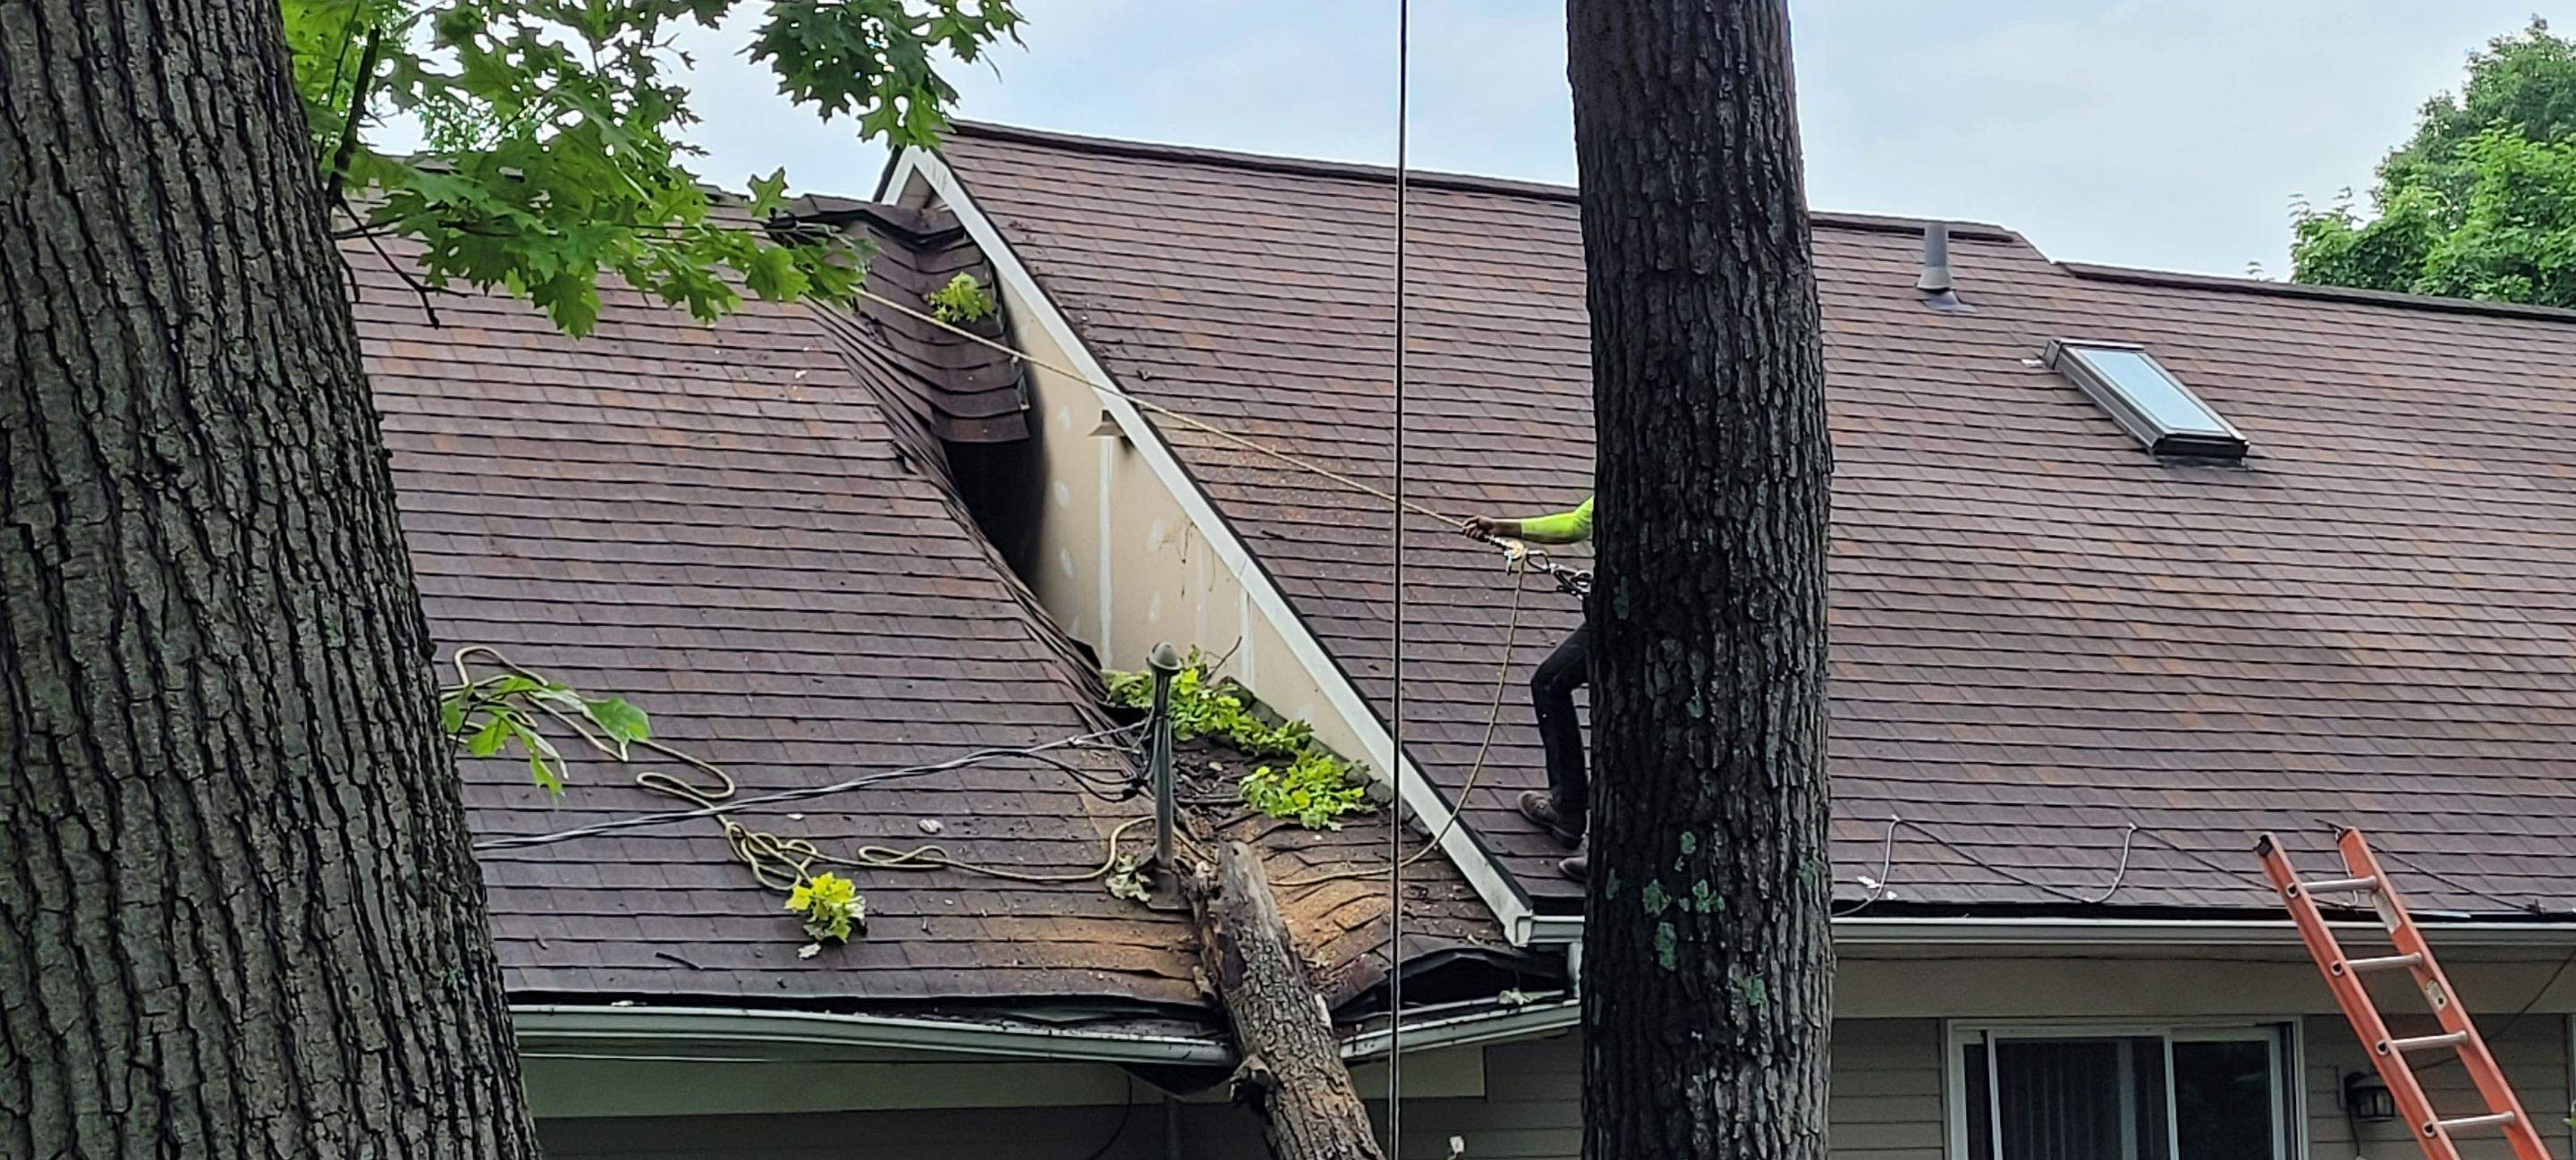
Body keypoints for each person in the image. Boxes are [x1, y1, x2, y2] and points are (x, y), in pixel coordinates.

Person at [1465, 496, 1593, 880]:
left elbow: (1575, 526)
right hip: (1611, 614)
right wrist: (1504, 528)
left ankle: (1614, 852)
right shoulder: (1623, 477)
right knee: (1550, 684)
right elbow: (1576, 524)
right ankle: (1568, 809)